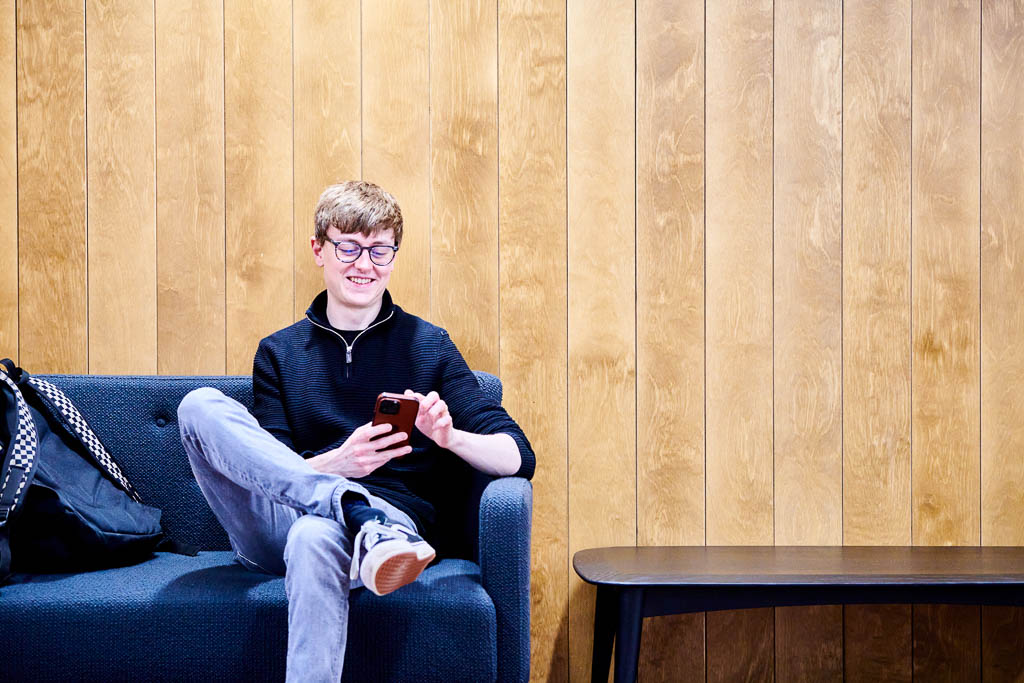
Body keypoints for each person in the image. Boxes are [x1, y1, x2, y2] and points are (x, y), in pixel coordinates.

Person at [176, 180, 535, 682]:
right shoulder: (277, 353)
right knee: (198, 407)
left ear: (393, 255)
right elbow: (267, 467)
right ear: (318, 248)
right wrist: (338, 467)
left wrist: (450, 436)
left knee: (313, 534)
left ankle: (361, 521)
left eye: (379, 249)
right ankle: (352, 508)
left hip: (382, 522)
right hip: (279, 518)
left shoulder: (428, 345)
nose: (364, 264)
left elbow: (518, 456)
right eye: (349, 246)